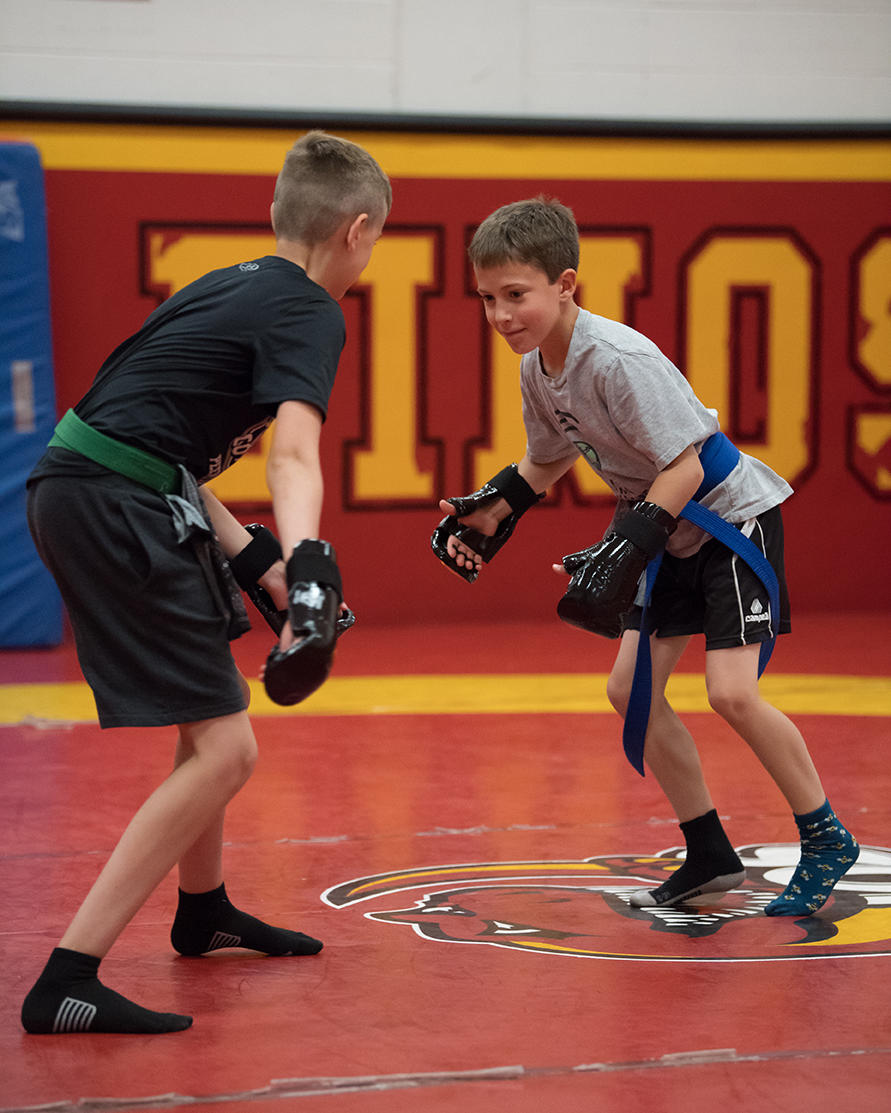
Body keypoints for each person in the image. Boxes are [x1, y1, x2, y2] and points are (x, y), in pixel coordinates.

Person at [21, 131, 391, 1034]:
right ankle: (67, 976)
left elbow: (158, 438)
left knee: (208, 717)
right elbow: (296, 452)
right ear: (356, 230)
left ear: (276, 217)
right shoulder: (310, 308)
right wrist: (309, 567)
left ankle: (205, 908)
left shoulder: (227, 282)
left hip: (100, 486)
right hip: (116, 503)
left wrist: (256, 558)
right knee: (230, 749)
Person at [432, 196, 858, 914]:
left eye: (516, 295)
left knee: (729, 691)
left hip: (728, 522)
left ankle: (825, 835)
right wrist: (492, 510)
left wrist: (623, 544)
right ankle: (708, 850)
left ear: (565, 283)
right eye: (486, 299)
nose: (501, 315)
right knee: (629, 690)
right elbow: (546, 460)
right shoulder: (538, 368)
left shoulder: (617, 358)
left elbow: (688, 465)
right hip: (661, 524)